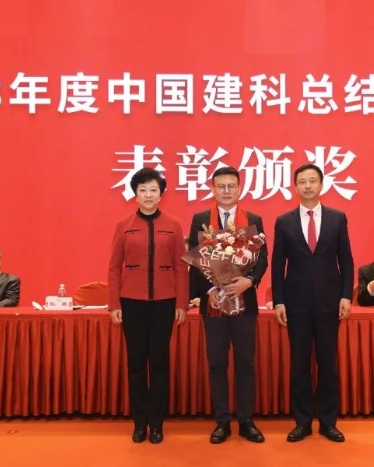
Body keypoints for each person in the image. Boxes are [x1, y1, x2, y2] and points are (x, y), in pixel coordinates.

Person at [271, 164, 354, 443]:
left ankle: (328, 422)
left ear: (321, 185)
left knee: (328, 365)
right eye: (302, 182)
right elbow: (278, 265)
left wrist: (346, 296)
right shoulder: (284, 221)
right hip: (296, 304)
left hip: (330, 303)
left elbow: (346, 261)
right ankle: (303, 422)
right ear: (295, 187)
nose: (307, 186)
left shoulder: (337, 218)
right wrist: (279, 301)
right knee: (299, 365)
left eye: (312, 181)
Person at [108, 167, 188, 444]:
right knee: (136, 363)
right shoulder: (124, 224)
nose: (148, 195)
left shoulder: (173, 224)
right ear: (135, 193)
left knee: (160, 362)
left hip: (164, 303)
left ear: (161, 194)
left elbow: (180, 267)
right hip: (132, 302)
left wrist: (182, 303)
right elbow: (114, 267)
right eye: (143, 190)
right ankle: (139, 422)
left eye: (154, 189)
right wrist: (114, 303)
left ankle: (157, 423)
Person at [188, 166, 268, 444]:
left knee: (245, 363)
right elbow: (195, 260)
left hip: (244, 303)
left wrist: (250, 281)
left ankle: (246, 420)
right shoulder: (201, 219)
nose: (226, 191)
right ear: (213, 189)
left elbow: (262, 259)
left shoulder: (253, 219)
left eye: (231, 186)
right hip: (214, 304)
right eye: (220, 186)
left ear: (239, 188)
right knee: (217, 363)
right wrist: (210, 289)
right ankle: (222, 421)